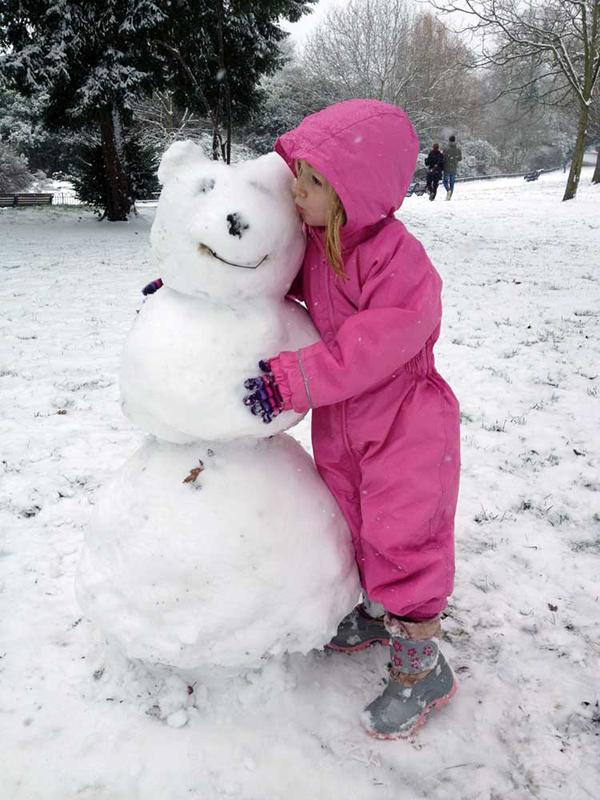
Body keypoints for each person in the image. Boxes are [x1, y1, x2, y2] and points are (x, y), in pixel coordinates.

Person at [242, 100, 460, 740]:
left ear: (352, 191)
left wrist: (294, 378)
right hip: (345, 422)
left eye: (310, 181)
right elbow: (283, 286)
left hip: (404, 424)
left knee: (403, 536)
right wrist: (202, 291)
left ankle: (422, 667)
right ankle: (374, 610)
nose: (296, 190)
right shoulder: (321, 246)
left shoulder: (398, 260)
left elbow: (377, 342)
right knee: (355, 517)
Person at [442, 135, 462, 200]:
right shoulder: (458, 149)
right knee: (452, 182)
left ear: (449, 140)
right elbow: (460, 159)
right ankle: (449, 196)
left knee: (445, 181)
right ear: (455, 140)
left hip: (446, 167)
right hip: (454, 167)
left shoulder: (446, 149)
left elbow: (443, 158)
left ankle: (448, 190)